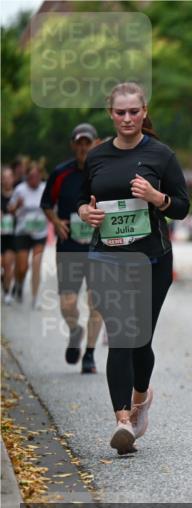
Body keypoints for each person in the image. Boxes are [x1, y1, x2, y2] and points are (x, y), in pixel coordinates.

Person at [76, 82, 189, 454]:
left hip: (152, 260)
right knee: (121, 337)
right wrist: (85, 213)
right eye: (120, 112)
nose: (127, 118)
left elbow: (183, 207)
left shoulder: (161, 155)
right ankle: (122, 420)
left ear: (144, 112)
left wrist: (157, 198)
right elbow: (80, 199)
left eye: (133, 112)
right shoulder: (96, 157)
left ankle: (141, 399)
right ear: (111, 114)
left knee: (140, 340)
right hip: (107, 258)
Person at [41, 123, 104, 373]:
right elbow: (46, 203)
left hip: (98, 247)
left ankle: (89, 354)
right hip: (69, 246)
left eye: (87, 143)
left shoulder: (104, 171)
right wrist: (56, 222)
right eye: (78, 143)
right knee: (67, 303)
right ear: (72, 145)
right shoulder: (61, 173)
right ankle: (75, 331)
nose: (82, 147)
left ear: (96, 143)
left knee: (96, 302)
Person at [8, 161, 49, 308]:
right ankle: (18, 285)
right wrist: (17, 206)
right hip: (23, 232)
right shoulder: (20, 189)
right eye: (31, 176)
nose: (35, 179)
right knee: (22, 267)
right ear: (27, 177)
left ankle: (35, 297)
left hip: (40, 232)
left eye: (37, 176)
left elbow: (51, 208)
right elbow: (11, 210)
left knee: (36, 264)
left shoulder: (45, 189)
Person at [2, 167, 15, 304]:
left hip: (12, 236)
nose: (6, 180)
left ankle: (7, 292)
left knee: (7, 265)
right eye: (3, 177)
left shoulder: (17, 195)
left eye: (8, 177)